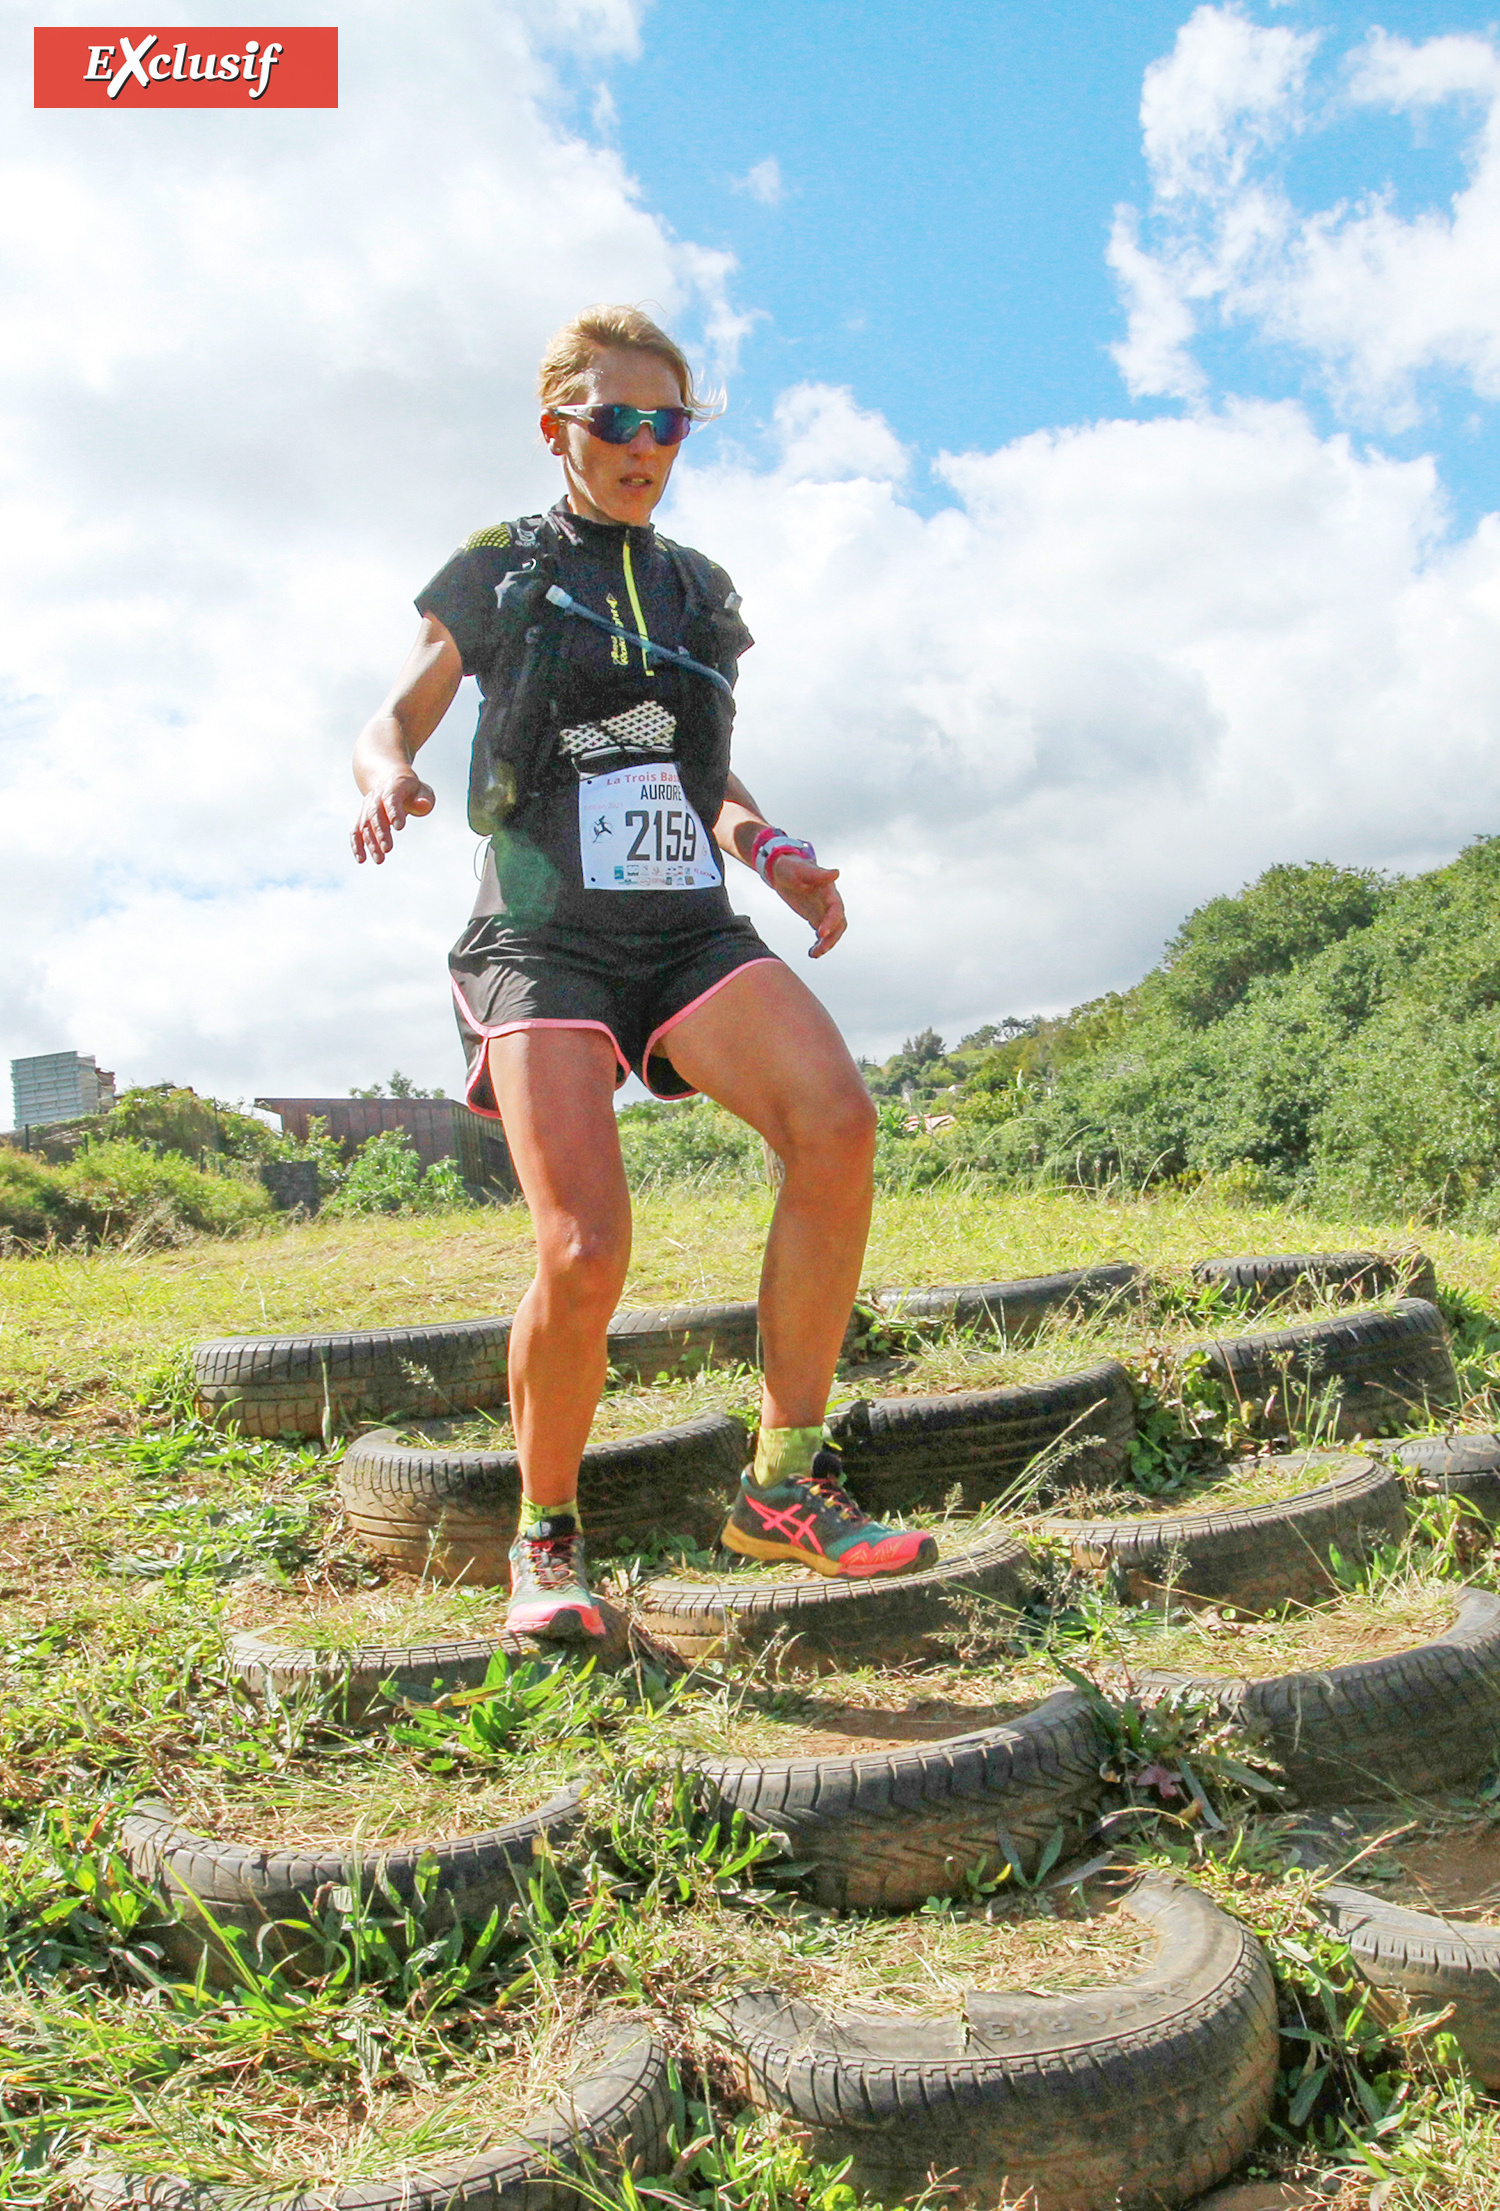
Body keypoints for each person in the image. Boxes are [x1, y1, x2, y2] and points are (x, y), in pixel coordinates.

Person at [350, 304, 936, 1638]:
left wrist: (771, 849)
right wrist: (387, 770)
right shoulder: (501, 567)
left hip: (682, 927)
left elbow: (694, 774)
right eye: (615, 418)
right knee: (583, 1245)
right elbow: (400, 709)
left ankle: (784, 1485)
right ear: (557, 420)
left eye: (665, 422)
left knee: (838, 1123)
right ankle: (545, 1541)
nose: (642, 444)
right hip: (545, 937)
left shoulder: (692, 589)